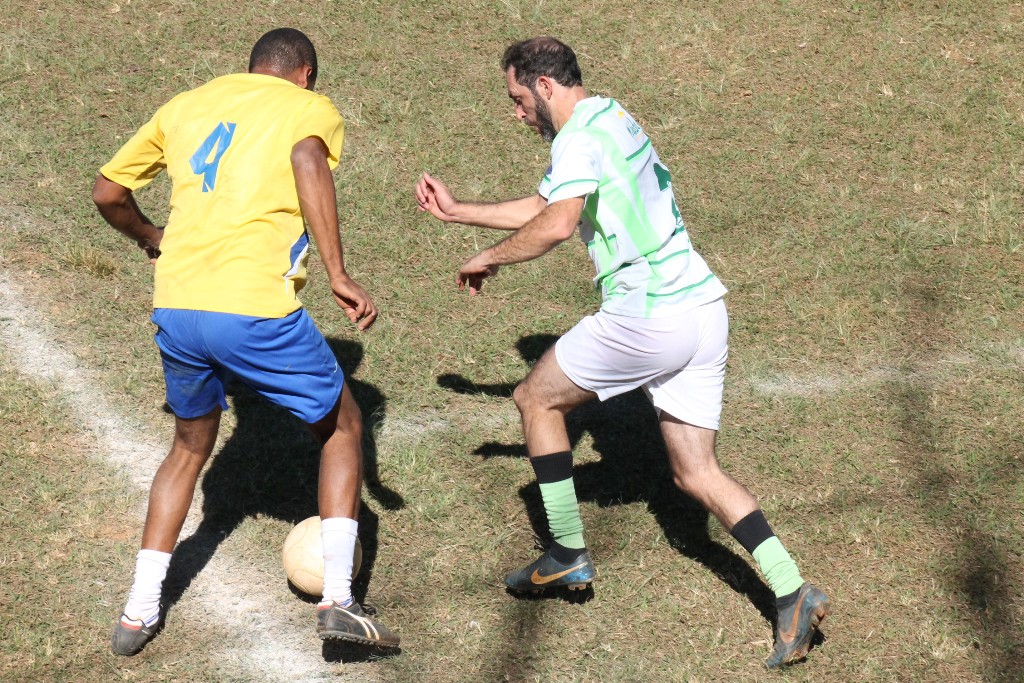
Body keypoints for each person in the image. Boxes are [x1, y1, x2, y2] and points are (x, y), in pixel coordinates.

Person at [415, 36, 830, 668]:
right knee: (696, 472)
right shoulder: (609, 116)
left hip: (649, 315)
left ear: (545, 86)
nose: (516, 112)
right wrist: (459, 213)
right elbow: (547, 204)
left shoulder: (576, 138)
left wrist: (488, 257)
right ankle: (792, 590)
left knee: (536, 400)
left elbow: (557, 224)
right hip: (702, 311)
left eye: (519, 98)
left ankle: (566, 552)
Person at [93, 27, 399, 656]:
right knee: (343, 426)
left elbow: (108, 192)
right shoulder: (307, 107)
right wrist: (338, 273)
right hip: (253, 309)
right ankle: (339, 600)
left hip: (177, 307)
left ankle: (137, 611)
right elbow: (308, 160)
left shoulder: (186, 105)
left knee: (188, 447)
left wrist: (151, 237)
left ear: (253, 66)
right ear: (305, 74)